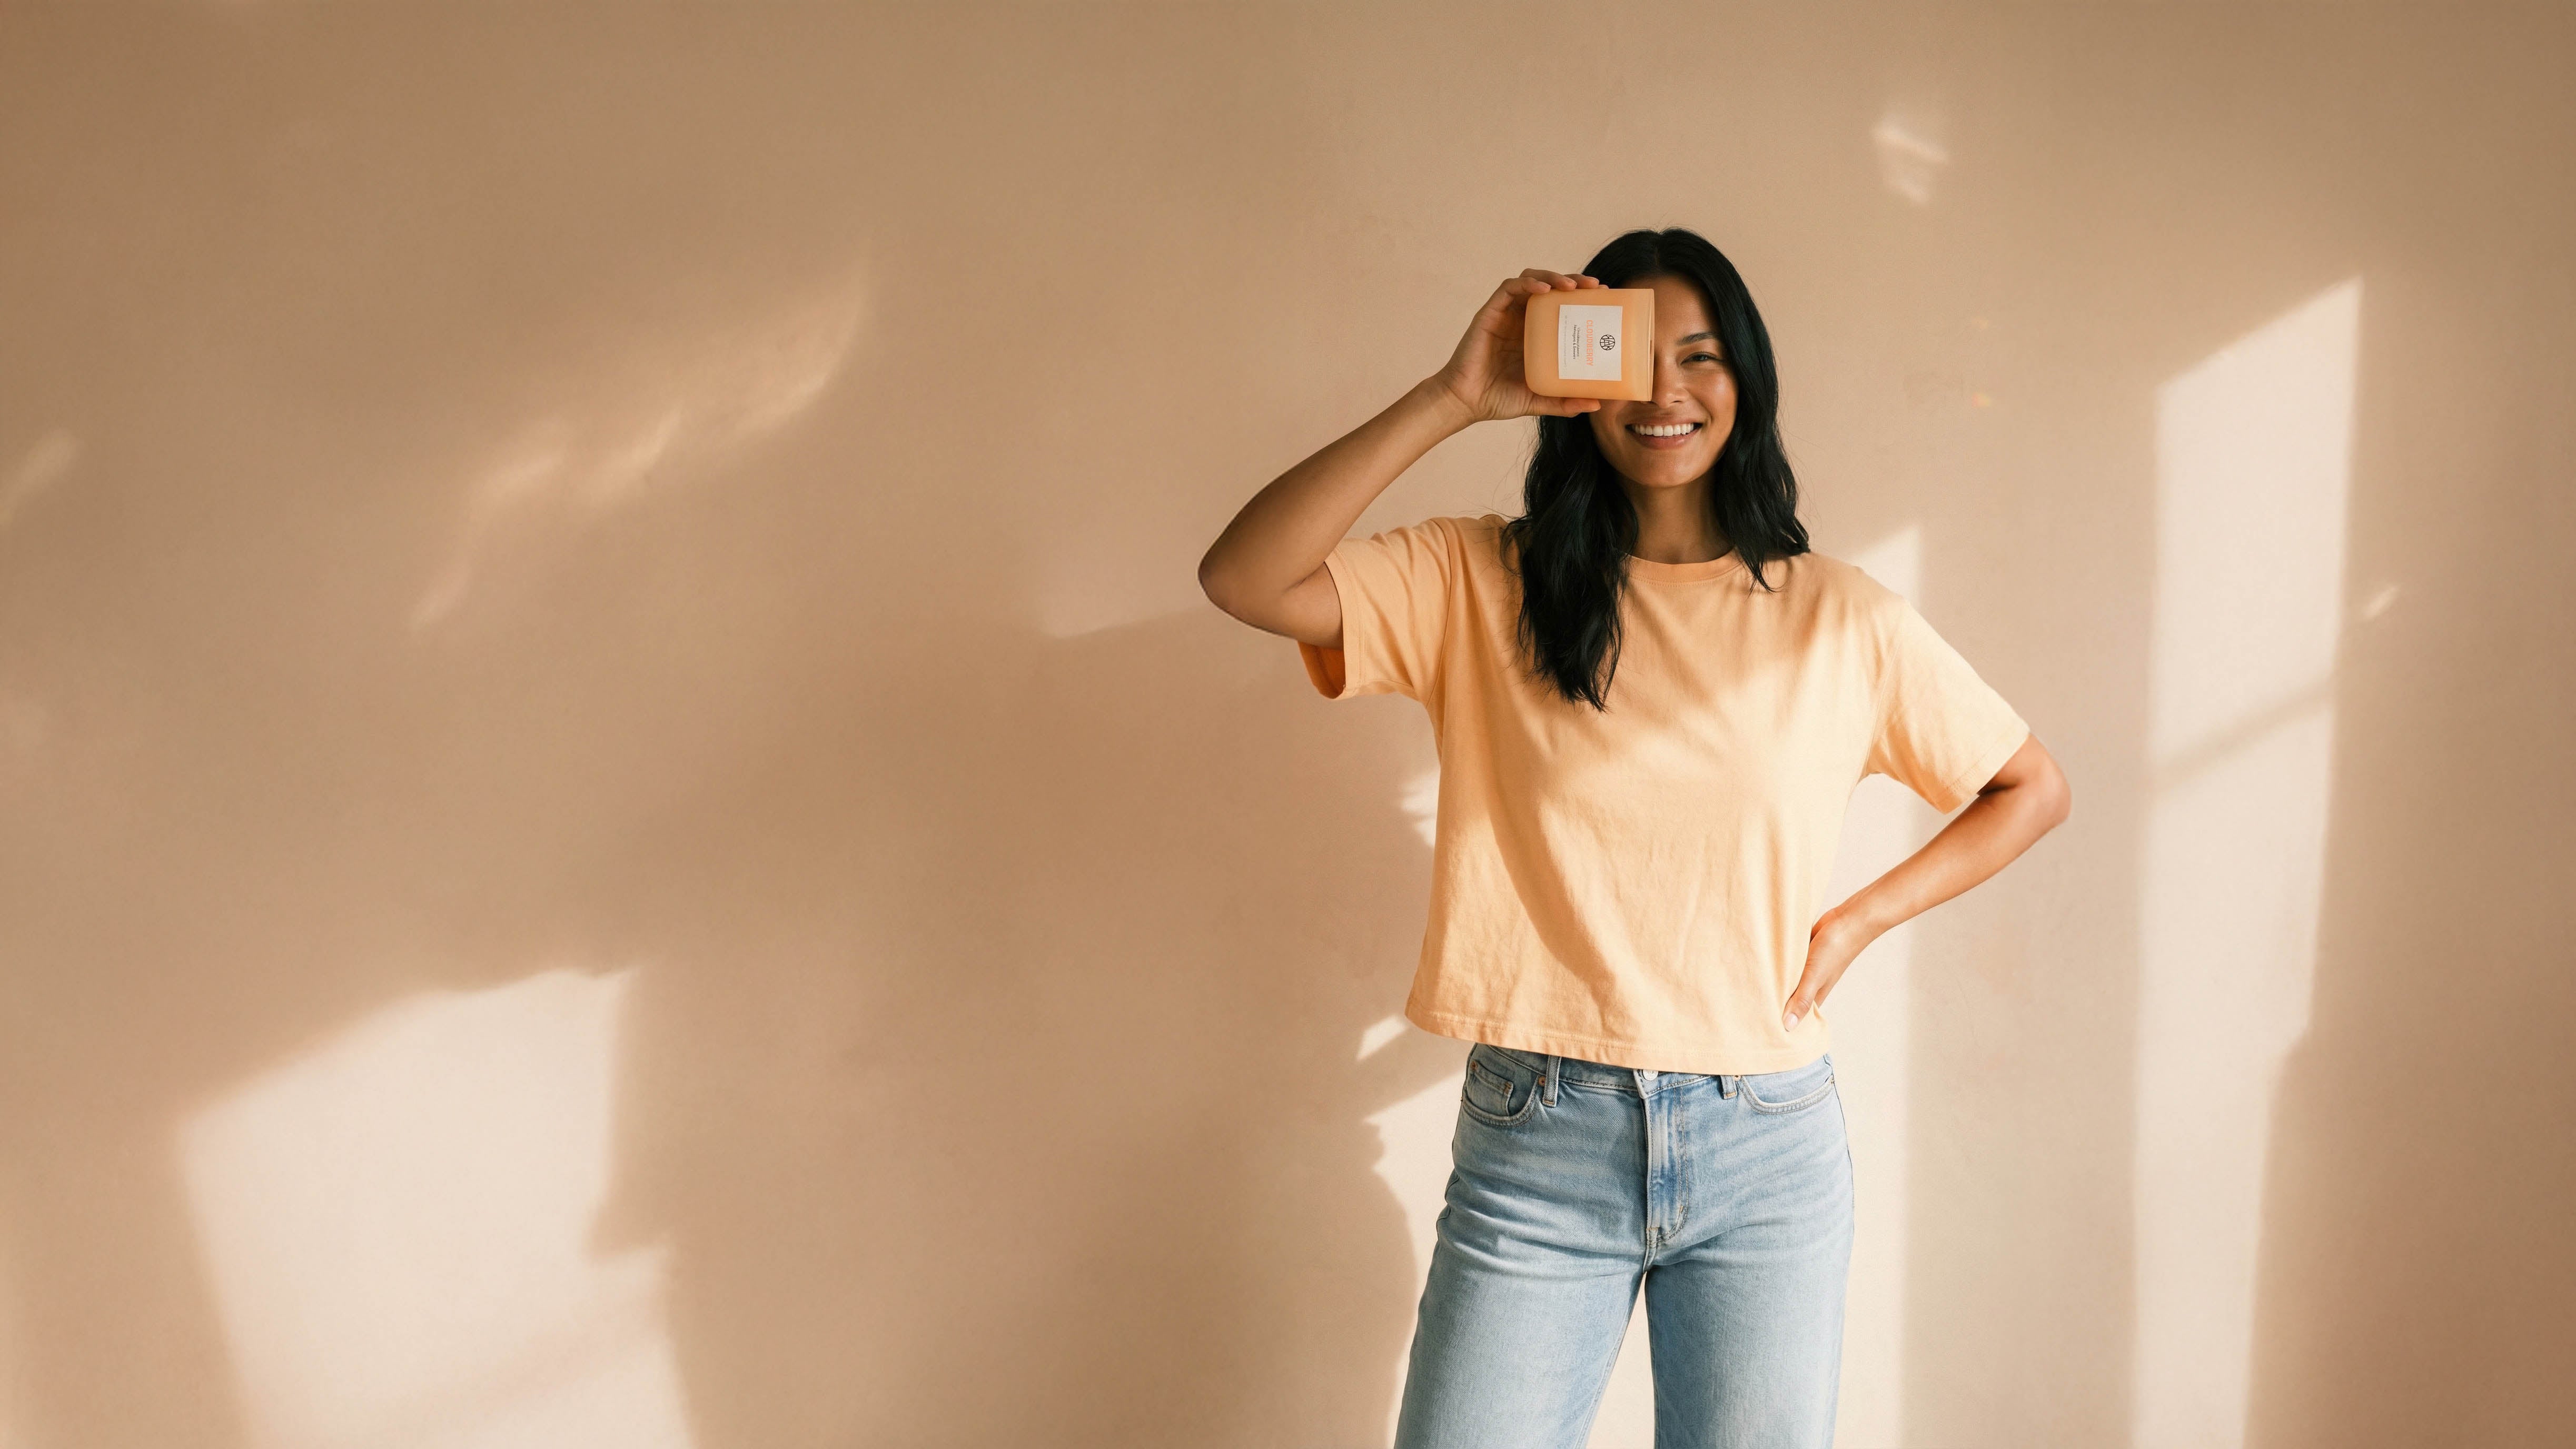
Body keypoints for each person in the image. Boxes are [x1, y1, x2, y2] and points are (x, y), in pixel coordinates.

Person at [1196, 227, 2070, 1449]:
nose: (1666, 392)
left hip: (1767, 1140)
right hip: (1536, 1139)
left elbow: (2027, 785)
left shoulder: (1838, 617)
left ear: (1747, 381)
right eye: (1631, 360)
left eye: (1702, 357)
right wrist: (1457, 395)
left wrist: (1857, 920)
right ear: (1577, 386)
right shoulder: (1477, 579)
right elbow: (1242, 575)